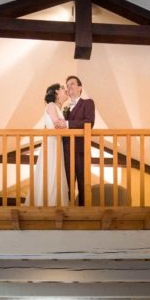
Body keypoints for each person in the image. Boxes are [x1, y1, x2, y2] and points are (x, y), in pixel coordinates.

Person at [55, 75, 95, 206]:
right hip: (66, 152)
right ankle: (68, 211)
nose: (69, 86)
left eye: (72, 83)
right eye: (67, 85)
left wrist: (66, 124)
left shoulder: (88, 103)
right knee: (67, 185)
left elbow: (88, 122)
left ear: (80, 87)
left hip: (81, 151)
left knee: (83, 184)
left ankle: (84, 213)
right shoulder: (65, 109)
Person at [32, 83, 69, 206]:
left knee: (56, 171)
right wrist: (67, 125)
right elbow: (57, 124)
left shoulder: (57, 107)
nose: (66, 90)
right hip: (52, 143)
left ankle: (55, 201)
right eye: (63, 88)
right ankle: (49, 202)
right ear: (56, 92)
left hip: (57, 144)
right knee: (51, 170)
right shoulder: (52, 105)